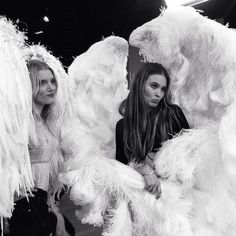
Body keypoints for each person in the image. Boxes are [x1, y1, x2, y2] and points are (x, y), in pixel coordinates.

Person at [6, 59, 74, 236]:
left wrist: (51, 204)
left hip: (43, 200)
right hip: (25, 203)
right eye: (42, 83)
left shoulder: (46, 122)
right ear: (30, 86)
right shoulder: (21, 122)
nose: (51, 87)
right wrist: (13, 190)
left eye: (52, 81)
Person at [115, 62, 189, 198]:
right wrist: (145, 170)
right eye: (154, 86)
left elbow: (188, 156)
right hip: (140, 197)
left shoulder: (173, 114)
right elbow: (121, 169)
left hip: (175, 196)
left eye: (162, 89)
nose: (158, 94)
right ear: (139, 85)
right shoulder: (122, 126)